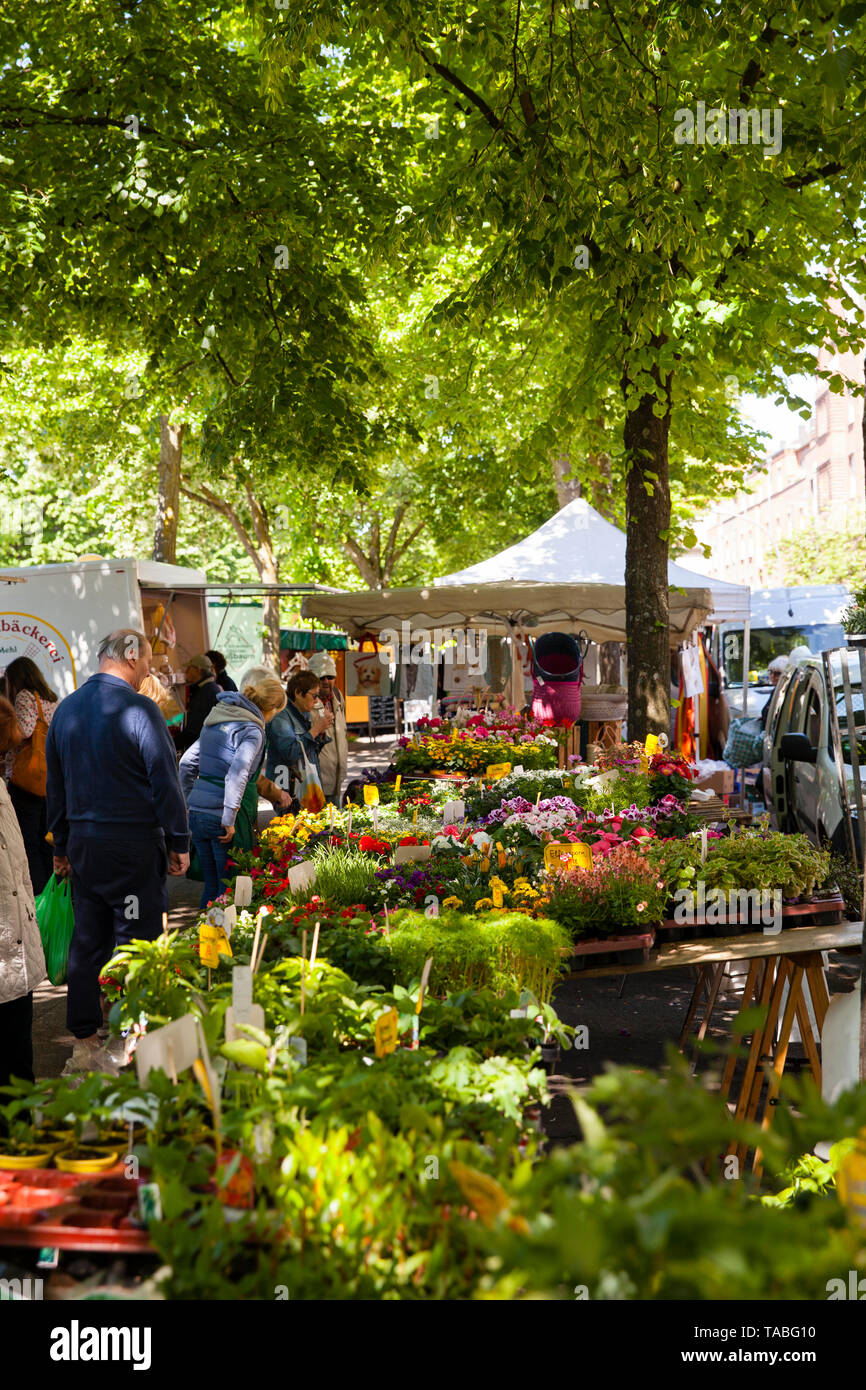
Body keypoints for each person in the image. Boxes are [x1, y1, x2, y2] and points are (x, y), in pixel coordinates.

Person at [45, 629, 190, 1070]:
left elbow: (57, 787)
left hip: (86, 848)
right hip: (130, 848)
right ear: (130, 655)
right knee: (137, 940)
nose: (150, 669)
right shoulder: (139, 709)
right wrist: (179, 840)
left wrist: (63, 845)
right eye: (147, 659)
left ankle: (85, 1037)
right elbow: (165, 782)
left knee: (88, 942)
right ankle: (132, 1036)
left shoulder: (66, 709)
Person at [179, 675, 287, 909]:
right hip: (221, 818)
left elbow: (186, 764)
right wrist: (229, 818)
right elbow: (237, 773)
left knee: (210, 884)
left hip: (199, 814)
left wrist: (190, 803)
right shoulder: (253, 730)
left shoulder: (217, 718)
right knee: (229, 887)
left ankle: (204, 939)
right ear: (271, 709)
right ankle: (225, 941)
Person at [0, 697, 46, 1092]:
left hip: (13, 950)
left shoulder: (2, 789)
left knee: (18, 1056)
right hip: (5, 950)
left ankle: (22, 1137)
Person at [2, 657, 59, 894]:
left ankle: (37, 896)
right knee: (47, 842)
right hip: (49, 779)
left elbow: (23, 731)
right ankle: (52, 893)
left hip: (27, 781)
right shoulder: (51, 699)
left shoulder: (25, 696)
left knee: (29, 844)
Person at [265, 670, 333, 802]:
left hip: (305, 785)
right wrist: (315, 729)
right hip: (289, 790)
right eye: (314, 696)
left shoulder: (303, 713)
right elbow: (290, 753)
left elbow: (309, 751)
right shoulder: (281, 717)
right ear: (298, 693)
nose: (317, 701)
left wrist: (320, 733)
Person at [308, 651, 348, 805]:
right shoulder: (306, 702)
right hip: (316, 779)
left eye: (330, 677)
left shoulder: (337, 696)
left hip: (337, 775)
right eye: (321, 677)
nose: (326, 681)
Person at [178, 654, 220, 751]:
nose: (186, 671)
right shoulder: (207, 688)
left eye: (189, 668)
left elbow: (194, 729)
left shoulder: (207, 692)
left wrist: (172, 743)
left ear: (198, 670)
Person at [760, 654, 789, 729]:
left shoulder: (787, 693)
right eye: (770, 672)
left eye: (777, 673)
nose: (772, 676)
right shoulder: (776, 691)